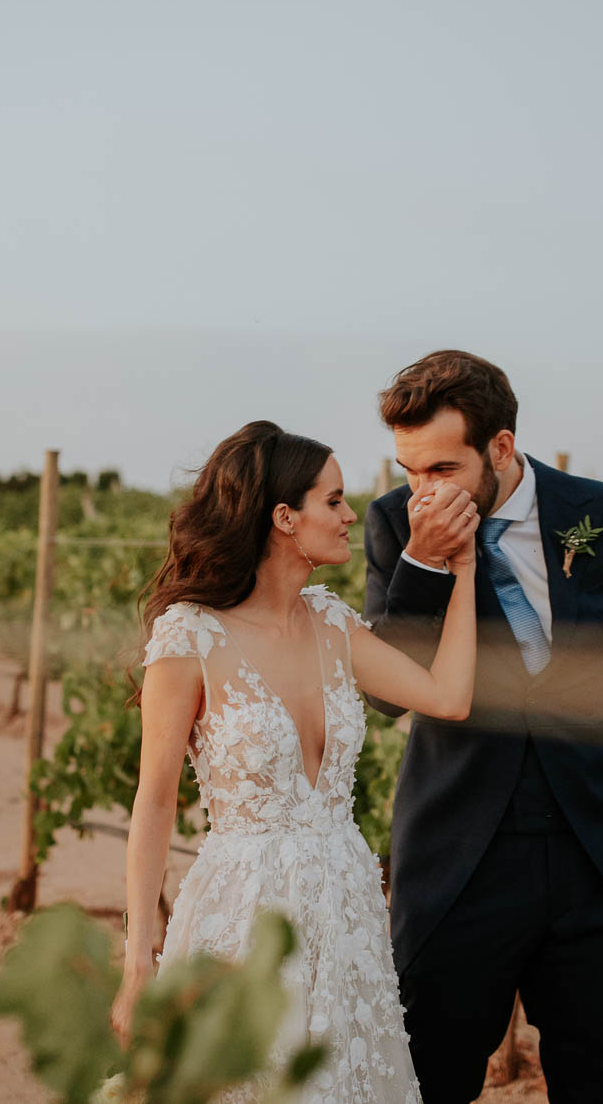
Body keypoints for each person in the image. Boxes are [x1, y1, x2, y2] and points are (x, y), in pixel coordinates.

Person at [364, 350, 603, 1104]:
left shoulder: (597, 511)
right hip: (458, 860)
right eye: (409, 468)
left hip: (592, 853)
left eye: (441, 468)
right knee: (427, 1079)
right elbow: (386, 695)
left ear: (499, 446)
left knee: (600, 1079)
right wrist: (423, 562)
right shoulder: (395, 524)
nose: (422, 488)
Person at [112, 420, 480, 1103]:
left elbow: (448, 696)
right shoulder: (188, 634)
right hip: (242, 912)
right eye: (334, 500)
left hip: (346, 911)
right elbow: (154, 799)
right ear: (284, 517)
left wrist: (464, 569)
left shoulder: (334, 623)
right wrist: (138, 964)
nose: (350, 516)